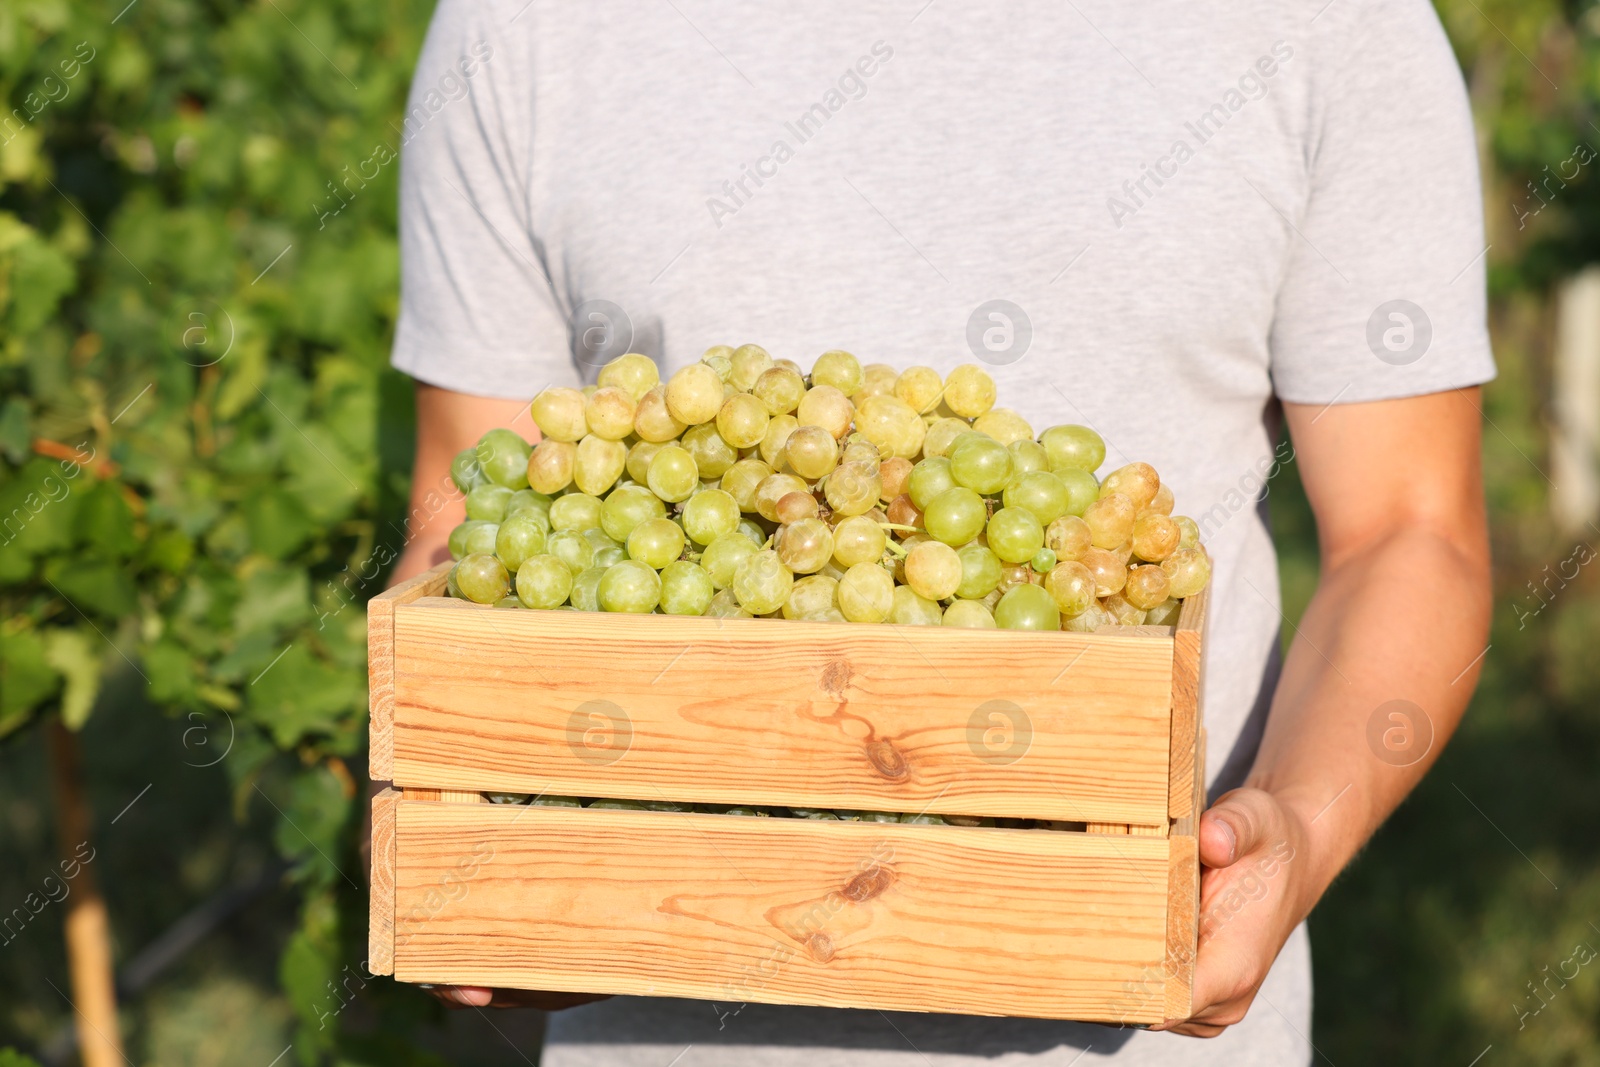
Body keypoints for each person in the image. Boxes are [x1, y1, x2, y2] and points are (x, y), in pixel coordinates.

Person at [383, 0, 1493, 1062]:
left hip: (1134, 1015)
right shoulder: (526, 21)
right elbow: (473, 520)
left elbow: (1410, 529)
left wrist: (1294, 830)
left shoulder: (1326, 19)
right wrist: (502, 855)